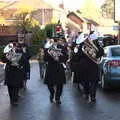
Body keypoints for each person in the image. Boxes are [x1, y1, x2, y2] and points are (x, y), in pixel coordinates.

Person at [44, 38, 68, 105]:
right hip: (51, 68)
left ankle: (57, 98)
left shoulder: (62, 48)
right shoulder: (47, 48)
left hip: (59, 67)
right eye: (50, 42)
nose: (52, 43)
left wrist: (59, 58)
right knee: (49, 84)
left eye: (53, 41)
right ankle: (52, 93)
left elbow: (66, 57)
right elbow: (45, 59)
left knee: (60, 84)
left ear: (56, 42)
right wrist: (49, 54)